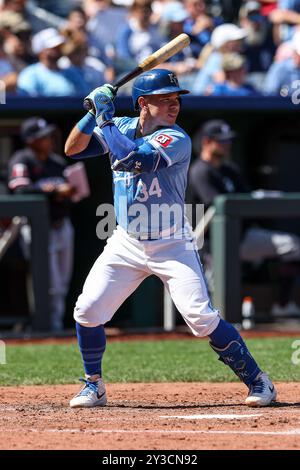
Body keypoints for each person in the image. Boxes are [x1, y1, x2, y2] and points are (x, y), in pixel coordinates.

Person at [64, 69, 277, 408]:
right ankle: (93, 385)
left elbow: (134, 160)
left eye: (175, 99)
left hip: (171, 242)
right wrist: (91, 114)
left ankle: (258, 381)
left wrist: (104, 117)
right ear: (142, 103)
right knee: (87, 311)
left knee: (200, 317)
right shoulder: (119, 126)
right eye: (164, 99)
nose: (173, 105)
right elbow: (73, 149)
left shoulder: (176, 138)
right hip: (126, 241)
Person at [188, 119, 300, 315]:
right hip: (211, 243)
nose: (226, 145)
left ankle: (282, 305)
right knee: (211, 300)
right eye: (221, 141)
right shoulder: (200, 171)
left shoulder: (230, 170)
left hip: (243, 236)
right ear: (207, 142)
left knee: (292, 245)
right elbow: (216, 204)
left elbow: (246, 198)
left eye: (228, 141)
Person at [8, 117, 75, 331]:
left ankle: (56, 325)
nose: (48, 140)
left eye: (48, 135)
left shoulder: (56, 163)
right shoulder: (22, 159)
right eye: (42, 136)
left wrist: (71, 191)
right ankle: (46, 328)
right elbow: (18, 189)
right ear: (31, 140)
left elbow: (70, 192)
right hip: (37, 228)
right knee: (49, 284)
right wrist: (54, 191)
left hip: (61, 225)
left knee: (62, 283)